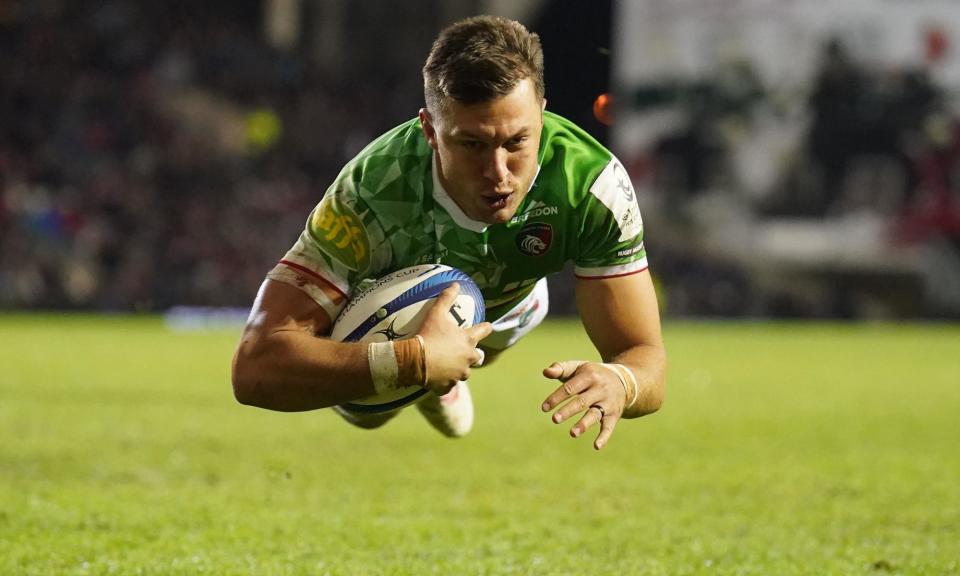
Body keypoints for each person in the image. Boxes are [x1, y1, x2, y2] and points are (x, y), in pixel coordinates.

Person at [232, 15, 666, 450]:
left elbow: (644, 357)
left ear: (543, 114)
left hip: (512, 304)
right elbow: (254, 367)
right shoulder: (371, 193)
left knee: (500, 325)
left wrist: (620, 381)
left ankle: (451, 369)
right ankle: (434, 372)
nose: (498, 175)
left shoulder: (591, 185)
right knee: (365, 413)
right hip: (386, 299)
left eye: (517, 142)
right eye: (472, 144)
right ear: (429, 130)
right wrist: (412, 359)